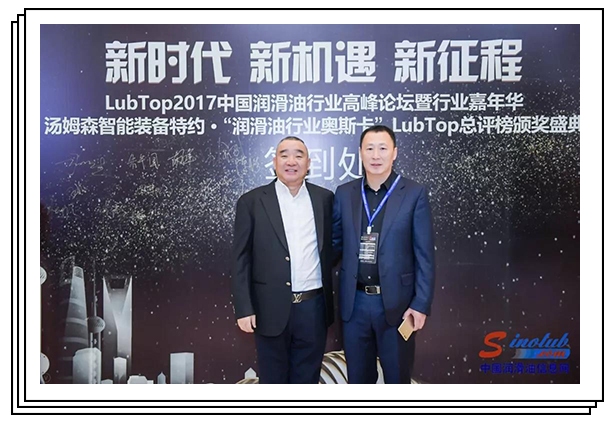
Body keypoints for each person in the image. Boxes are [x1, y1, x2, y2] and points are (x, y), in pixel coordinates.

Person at [332, 125, 435, 384]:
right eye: (369, 149)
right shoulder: (344, 193)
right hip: (355, 304)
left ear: (394, 153)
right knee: (358, 380)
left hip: (397, 306)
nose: (375, 155)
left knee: (397, 379)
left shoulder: (413, 193)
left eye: (382, 148)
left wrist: (420, 304)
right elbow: (334, 244)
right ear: (360, 153)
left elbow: (424, 255)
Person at [231, 136, 334, 384]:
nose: (291, 161)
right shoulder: (252, 202)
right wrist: (244, 308)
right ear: (275, 162)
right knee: (273, 383)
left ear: (308, 163)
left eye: (299, 155)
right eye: (284, 155)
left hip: (313, 309)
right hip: (269, 309)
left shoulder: (325, 199)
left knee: (307, 382)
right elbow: (241, 259)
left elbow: (334, 248)